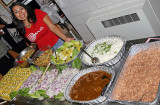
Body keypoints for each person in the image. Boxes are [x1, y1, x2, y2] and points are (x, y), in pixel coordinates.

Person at [9, 2, 74, 50]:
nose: (21, 13)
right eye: (16, 12)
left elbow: (52, 27)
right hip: (46, 53)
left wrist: (65, 38)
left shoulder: (37, 13)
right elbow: (34, 42)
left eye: (21, 9)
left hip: (58, 43)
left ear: (25, 9)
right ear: (15, 16)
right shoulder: (21, 28)